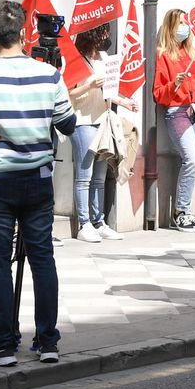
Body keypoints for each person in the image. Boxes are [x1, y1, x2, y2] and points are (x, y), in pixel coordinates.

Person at [0, 0, 75, 365]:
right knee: (43, 259)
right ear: (23, 34)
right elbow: (68, 124)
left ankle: (3, 343)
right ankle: (48, 341)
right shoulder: (48, 74)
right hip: (37, 178)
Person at [68, 23, 133, 243]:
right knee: (84, 177)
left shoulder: (105, 58)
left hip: (103, 120)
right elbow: (68, 93)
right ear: (93, 33)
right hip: (82, 121)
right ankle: (84, 223)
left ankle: (98, 222)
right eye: (103, 31)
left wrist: (124, 102)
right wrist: (89, 86)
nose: (106, 35)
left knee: (99, 177)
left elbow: (109, 90)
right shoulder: (76, 59)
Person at [154, 9, 195, 231]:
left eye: (186, 22)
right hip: (178, 111)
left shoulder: (190, 53)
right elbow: (158, 94)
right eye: (180, 23)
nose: (185, 27)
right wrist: (174, 84)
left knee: (194, 162)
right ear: (171, 27)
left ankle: (186, 211)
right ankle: (180, 212)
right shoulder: (163, 55)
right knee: (191, 159)